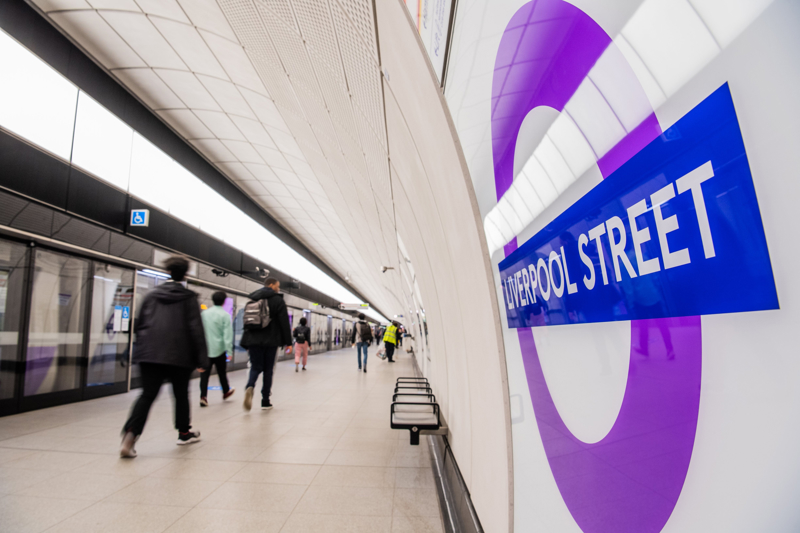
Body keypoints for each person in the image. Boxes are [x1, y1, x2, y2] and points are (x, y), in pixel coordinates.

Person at [120, 256, 207, 458]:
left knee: (147, 395)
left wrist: (135, 350)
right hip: (179, 355)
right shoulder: (189, 298)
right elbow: (196, 330)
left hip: (150, 354)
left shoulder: (151, 296)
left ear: (168, 272)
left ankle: (130, 436)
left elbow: (140, 325)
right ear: (185, 274)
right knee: (180, 395)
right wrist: (202, 359)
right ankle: (184, 433)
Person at [241, 277, 292, 411]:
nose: (279, 288)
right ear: (271, 285)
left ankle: (250, 385)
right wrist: (288, 342)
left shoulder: (253, 298)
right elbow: (284, 323)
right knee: (268, 370)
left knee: (255, 367)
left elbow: (247, 321)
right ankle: (265, 400)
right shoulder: (278, 300)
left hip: (253, 340)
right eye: (277, 286)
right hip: (271, 340)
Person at [199, 291, 235, 406]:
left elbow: (200, 332)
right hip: (219, 349)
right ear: (224, 301)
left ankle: (203, 396)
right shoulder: (225, 315)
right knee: (221, 372)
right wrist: (229, 350)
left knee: (204, 374)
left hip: (206, 349)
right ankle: (225, 391)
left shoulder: (204, 314)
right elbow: (227, 335)